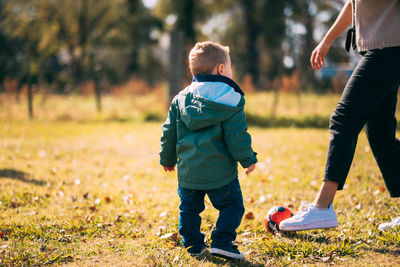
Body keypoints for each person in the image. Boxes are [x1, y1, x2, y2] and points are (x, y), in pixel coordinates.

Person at [280, 0, 400, 232]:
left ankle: (323, 207)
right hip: (380, 49)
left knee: (343, 119)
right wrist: (326, 40)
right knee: (380, 133)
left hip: (390, 50)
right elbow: (353, 4)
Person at [159, 41, 257, 259]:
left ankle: (193, 245)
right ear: (221, 69)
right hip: (221, 174)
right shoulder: (231, 99)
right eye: (230, 68)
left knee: (189, 210)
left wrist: (167, 158)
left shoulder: (180, 99)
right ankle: (222, 241)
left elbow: (168, 132)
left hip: (189, 173)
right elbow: (236, 135)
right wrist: (248, 158)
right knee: (233, 205)